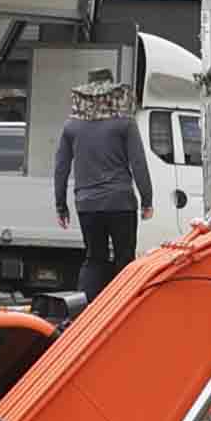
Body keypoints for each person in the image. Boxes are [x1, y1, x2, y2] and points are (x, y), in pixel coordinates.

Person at [55, 79, 151, 291]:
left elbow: (61, 168)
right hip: (121, 202)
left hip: (87, 204)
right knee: (124, 259)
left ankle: (85, 311)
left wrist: (61, 206)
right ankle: (121, 309)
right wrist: (147, 200)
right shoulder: (125, 123)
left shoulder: (72, 126)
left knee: (94, 258)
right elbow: (138, 163)